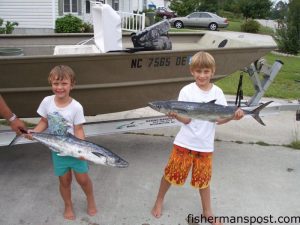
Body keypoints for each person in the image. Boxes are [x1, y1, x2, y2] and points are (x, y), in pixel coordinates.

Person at [151, 51, 244, 225]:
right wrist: (176, 115)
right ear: (192, 72)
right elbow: (186, 119)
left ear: (212, 72)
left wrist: (233, 116)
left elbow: (218, 120)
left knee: (204, 181)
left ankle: (208, 212)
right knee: (170, 175)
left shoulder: (217, 92)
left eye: (206, 71)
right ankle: (159, 200)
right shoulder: (186, 90)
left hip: (205, 146)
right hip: (184, 143)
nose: (202, 75)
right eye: (198, 71)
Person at [26, 65, 97, 220]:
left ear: (72, 85)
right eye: (55, 83)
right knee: (64, 181)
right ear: (51, 83)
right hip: (57, 150)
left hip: (75, 150)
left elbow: (78, 130)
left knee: (83, 180)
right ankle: (68, 205)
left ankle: (90, 199)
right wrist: (34, 132)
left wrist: (83, 149)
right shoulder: (47, 101)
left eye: (64, 83)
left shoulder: (76, 107)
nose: (59, 87)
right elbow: (44, 121)